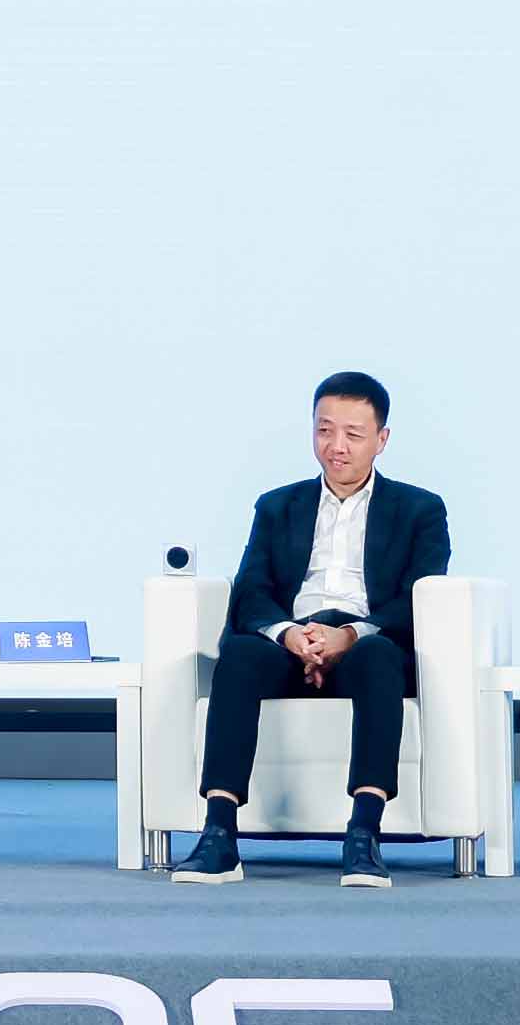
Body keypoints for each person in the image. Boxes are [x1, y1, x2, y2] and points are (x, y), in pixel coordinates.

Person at [174, 372, 450, 889]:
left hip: (366, 641)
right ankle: (219, 833)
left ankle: (363, 833)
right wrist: (287, 634)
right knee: (239, 655)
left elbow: (418, 596)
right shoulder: (277, 505)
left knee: (380, 658)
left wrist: (351, 635)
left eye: (353, 434)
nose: (336, 446)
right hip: (292, 640)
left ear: (382, 439)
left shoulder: (420, 509)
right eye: (324, 430)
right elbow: (251, 589)